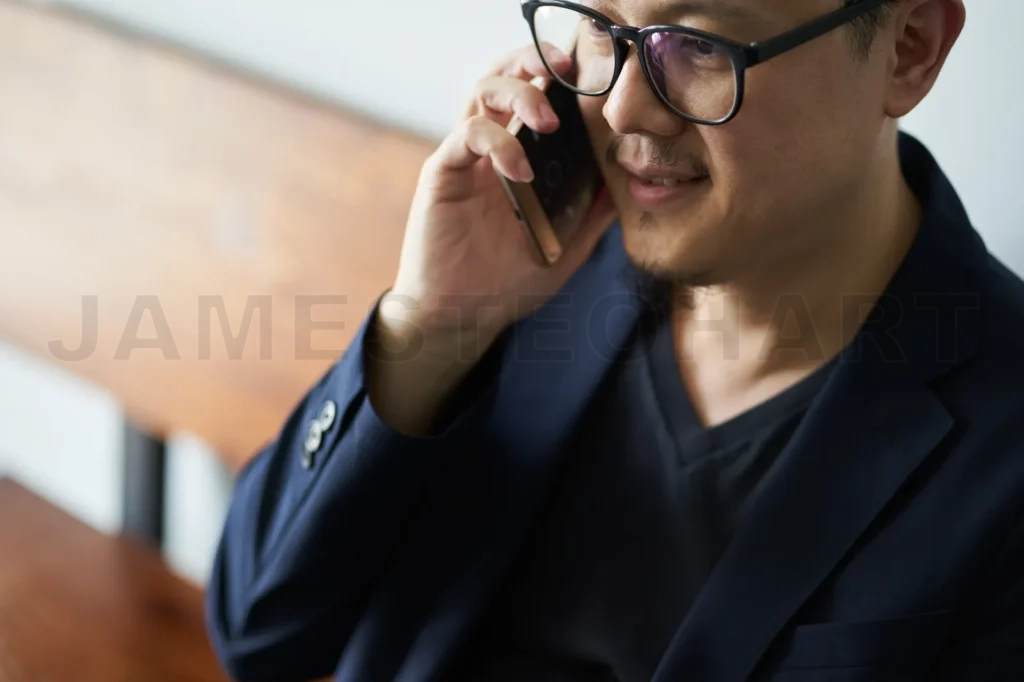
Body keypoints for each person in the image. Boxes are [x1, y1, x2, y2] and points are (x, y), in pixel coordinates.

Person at [205, 0, 1024, 680]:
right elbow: (259, 631)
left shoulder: (1000, 446)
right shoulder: (531, 265)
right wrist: (431, 330)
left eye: (696, 46)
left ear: (909, 49)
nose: (624, 109)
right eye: (602, 30)